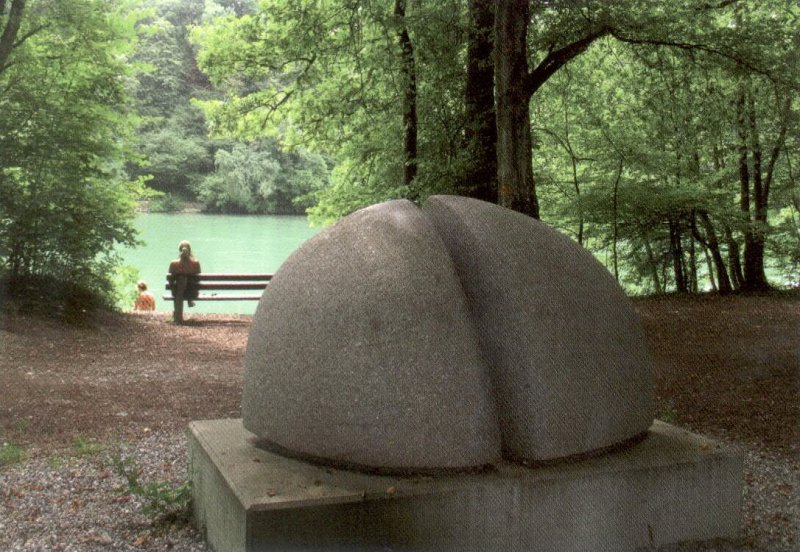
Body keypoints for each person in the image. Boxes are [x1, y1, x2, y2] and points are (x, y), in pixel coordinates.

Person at [168, 241, 201, 322]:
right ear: (190, 250)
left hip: (177, 293)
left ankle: (178, 317)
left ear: (180, 250)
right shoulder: (196, 263)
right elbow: (198, 279)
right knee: (183, 280)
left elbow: (170, 280)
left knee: (181, 282)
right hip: (192, 293)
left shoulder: (174, 263)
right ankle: (189, 300)